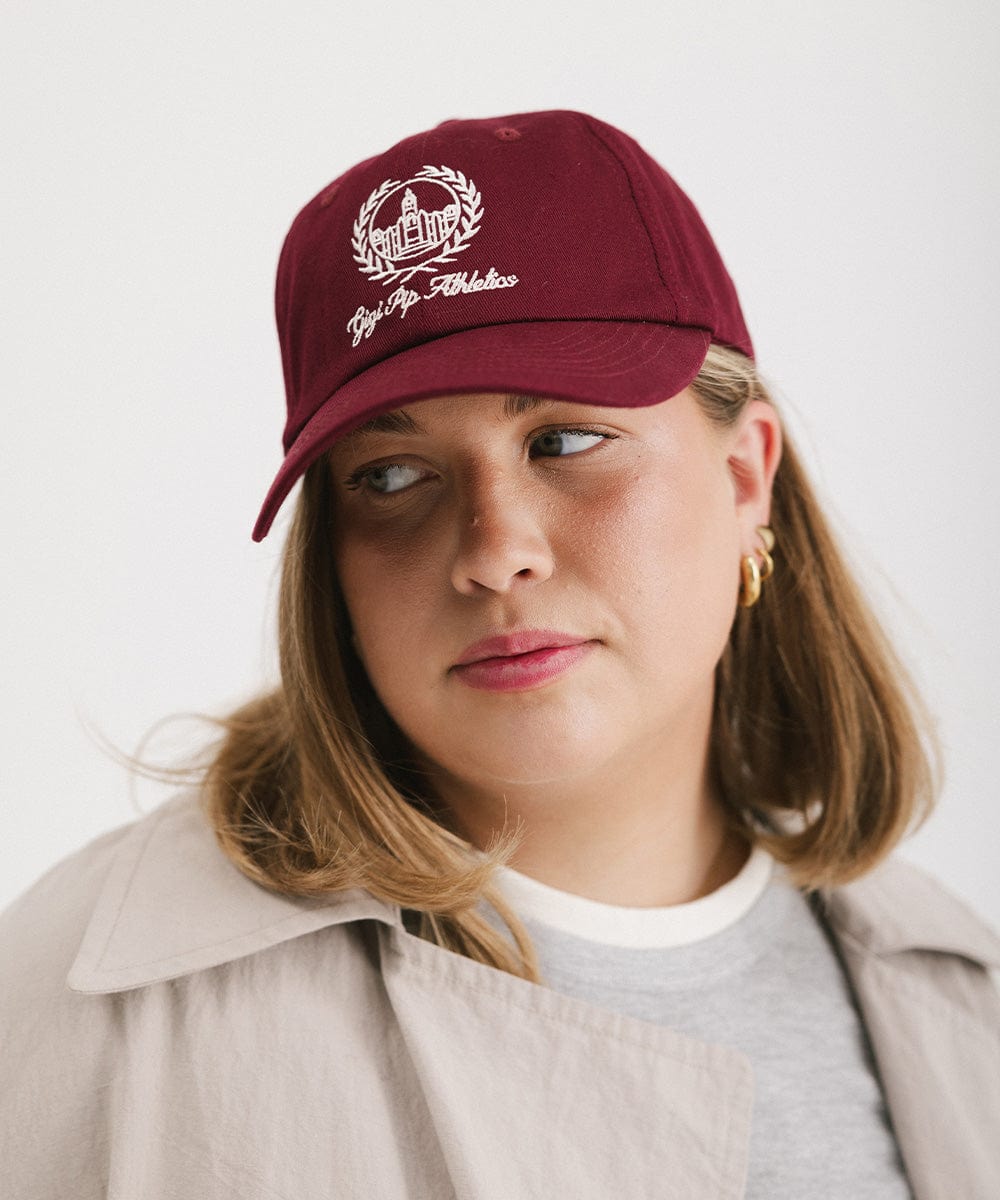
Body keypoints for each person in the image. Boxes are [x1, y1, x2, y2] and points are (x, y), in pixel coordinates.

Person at [2, 109, 998, 1199]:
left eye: (564, 441)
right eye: (390, 477)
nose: (493, 551)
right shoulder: (90, 1010)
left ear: (744, 477)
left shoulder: (962, 998)